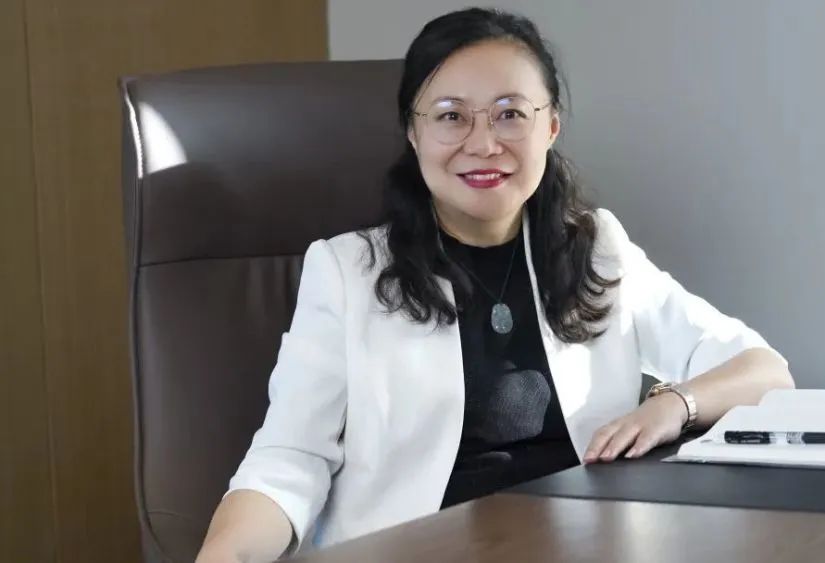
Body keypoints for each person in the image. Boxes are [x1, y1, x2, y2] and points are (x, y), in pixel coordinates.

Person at [195, 7, 793, 562]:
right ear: (413, 132)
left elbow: (763, 371)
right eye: (451, 116)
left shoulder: (596, 248)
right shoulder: (347, 272)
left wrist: (674, 405)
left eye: (510, 114)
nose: (483, 145)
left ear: (550, 126)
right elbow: (290, 458)